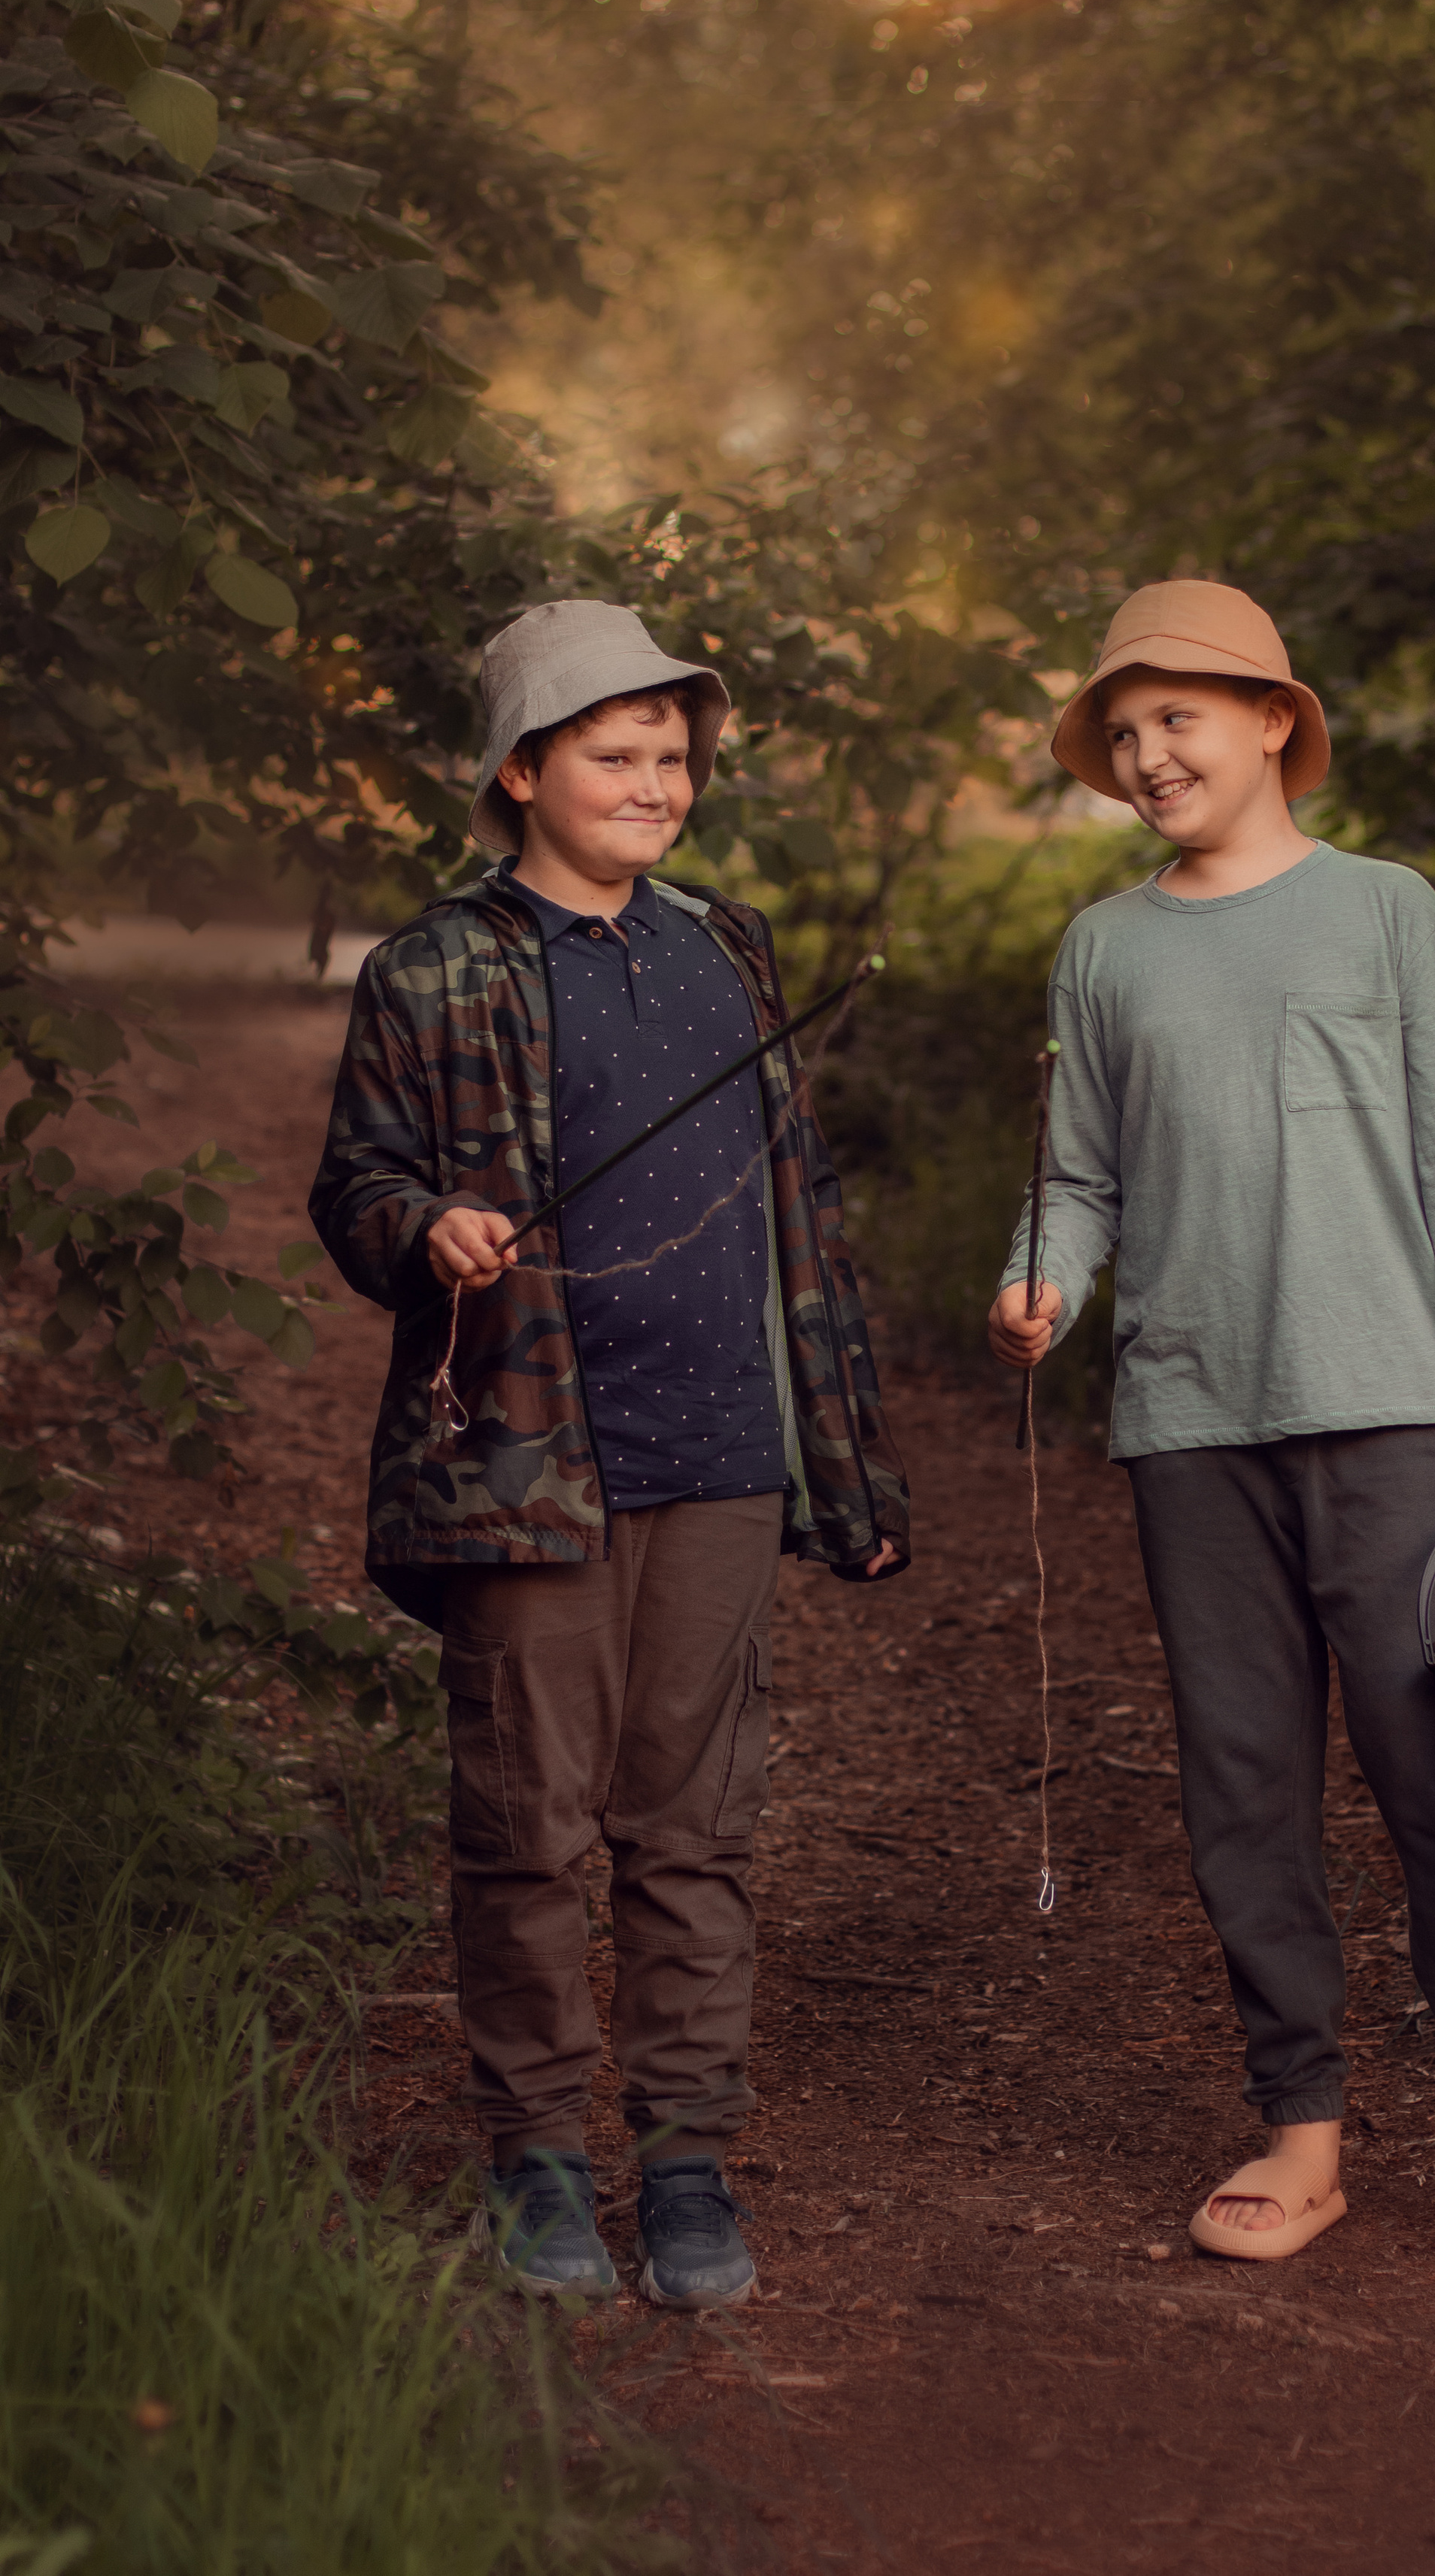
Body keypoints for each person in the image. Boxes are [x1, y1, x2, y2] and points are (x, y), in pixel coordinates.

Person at [311, 599, 909, 2307]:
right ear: (521, 770)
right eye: (615, 753)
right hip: (526, 1461)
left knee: (695, 1824)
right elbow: (353, 1194)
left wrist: (843, 1469)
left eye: (674, 756)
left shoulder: (729, 947)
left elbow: (801, 1222)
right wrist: (428, 1228)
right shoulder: (434, 966)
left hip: (718, 1447)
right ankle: (540, 2160)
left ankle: (687, 2158)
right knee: (526, 1823)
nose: (656, 782)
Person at [988, 580, 1435, 2259]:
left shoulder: (1390, 913)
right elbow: (1079, 1175)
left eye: (1174, 716)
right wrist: (1045, 1278)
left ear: (1269, 720)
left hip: (1392, 1412)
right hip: (1187, 1423)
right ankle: (1299, 2124)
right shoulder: (1102, 945)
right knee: (1241, 1784)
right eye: (1120, 731)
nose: (1143, 751)